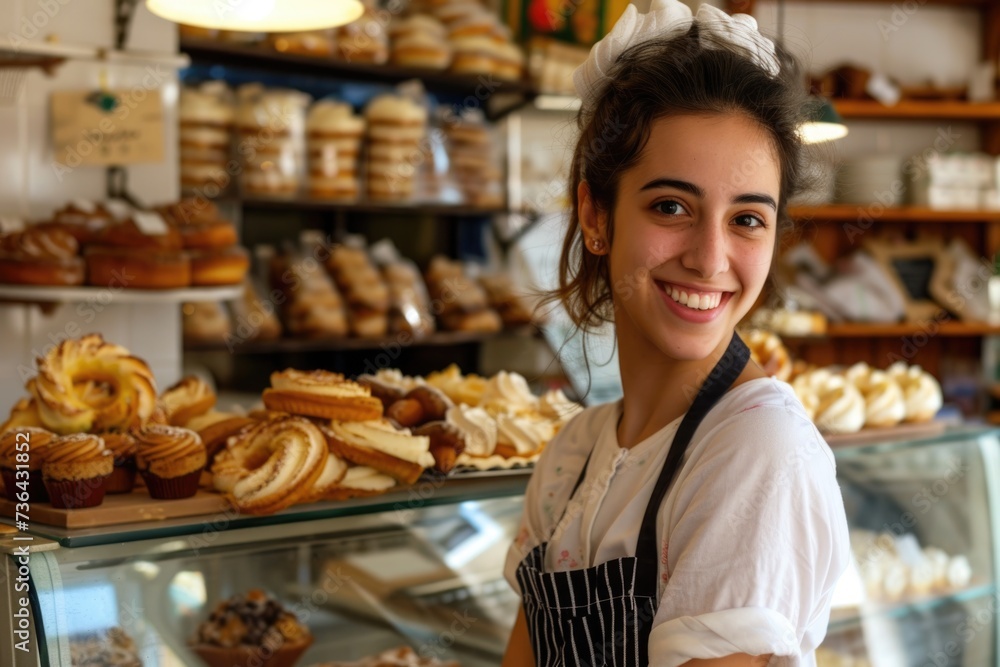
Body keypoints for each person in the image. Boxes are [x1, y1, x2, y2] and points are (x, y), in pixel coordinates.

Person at [501, 1, 851, 665]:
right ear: (595, 212)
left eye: (747, 219)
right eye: (672, 206)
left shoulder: (756, 449)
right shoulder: (571, 457)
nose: (710, 258)